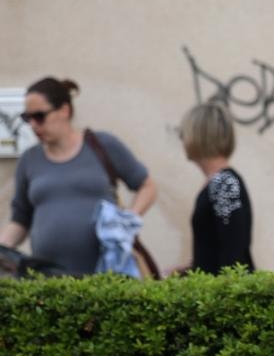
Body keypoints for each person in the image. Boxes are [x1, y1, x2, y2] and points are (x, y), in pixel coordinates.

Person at [1, 77, 158, 276]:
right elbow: (20, 219)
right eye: (27, 118)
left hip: (106, 275)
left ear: (64, 110)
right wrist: (2, 249)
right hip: (50, 279)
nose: (33, 125)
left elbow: (147, 186)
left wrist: (127, 221)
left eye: (39, 116)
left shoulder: (102, 145)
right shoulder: (29, 160)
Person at [170, 103, 254, 274]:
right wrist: (191, 270)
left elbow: (233, 253)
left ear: (199, 135)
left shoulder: (225, 184)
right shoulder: (218, 182)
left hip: (225, 290)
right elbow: (215, 249)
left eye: (184, 133)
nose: (182, 139)